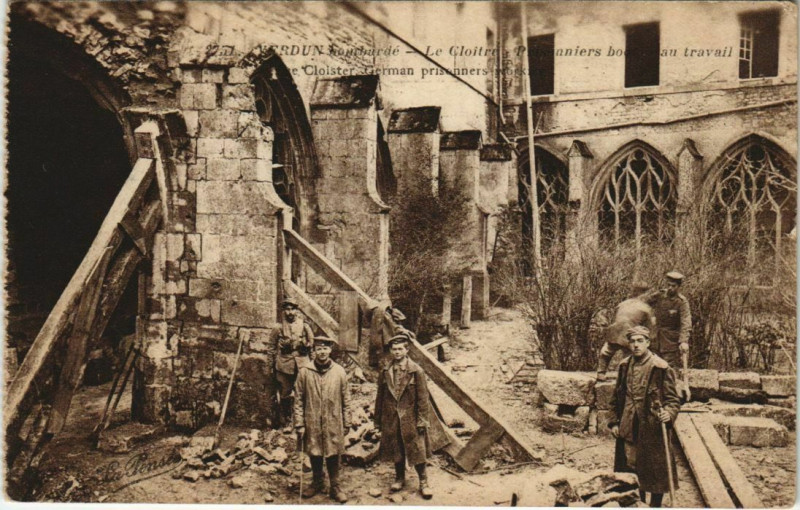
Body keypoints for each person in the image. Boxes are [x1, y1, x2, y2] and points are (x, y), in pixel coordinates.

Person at [608, 326, 680, 508]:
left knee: (654, 470)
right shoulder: (624, 366)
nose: (636, 345)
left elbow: (673, 399)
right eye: (632, 341)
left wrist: (669, 413)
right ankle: (636, 503)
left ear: (648, 343)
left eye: (640, 341)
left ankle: (655, 506)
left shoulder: (660, 367)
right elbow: (616, 397)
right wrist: (614, 422)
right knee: (631, 468)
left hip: (652, 426)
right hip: (628, 423)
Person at [374, 334, 434, 499]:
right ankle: (400, 478)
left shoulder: (416, 371)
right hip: (391, 417)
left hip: (411, 419)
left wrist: (422, 420)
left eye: (400, 349)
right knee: (396, 448)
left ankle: (423, 482)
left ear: (407, 350)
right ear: (391, 351)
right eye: (394, 349)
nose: (397, 352)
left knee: (417, 450)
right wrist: (377, 421)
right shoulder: (386, 371)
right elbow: (380, 397)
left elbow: (423, 399)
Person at [294, 336, 351, 503]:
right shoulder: (305, 372)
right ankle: (317, 482)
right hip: (312, 419)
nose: (322, 352)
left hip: (333, 419)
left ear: (330, 350)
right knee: (314, 450)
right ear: (314, 351)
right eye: (319, 349)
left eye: (325, 349)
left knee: (333, 452)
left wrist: (347, 421)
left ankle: (335, 487)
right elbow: (298, 399)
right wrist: (299, 423)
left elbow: (346, 398)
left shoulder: (339, 371)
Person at [596, 282, 656, 381]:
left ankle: (601, 373)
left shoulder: (622, 303)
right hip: (630, 334)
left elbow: (615, 317)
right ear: (644, 293)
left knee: (606, 352)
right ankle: (628, 377)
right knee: (631, 356)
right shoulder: (646, 308)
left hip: (615, 330)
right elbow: (650, 328)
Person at [271, 297, 314, 431]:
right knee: (285, 393)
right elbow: (271, 348)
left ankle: (303, 421)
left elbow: (312, 347)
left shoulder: (305, 326)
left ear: (297, 310)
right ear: (283, 311)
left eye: (292, 309)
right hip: (284, 365)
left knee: (304, 392)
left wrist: (313, 364)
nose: (290, 312)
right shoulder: (278, 328)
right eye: (287, 309)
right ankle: (288, 421)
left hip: (302, 363)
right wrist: (270, 366)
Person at [643, 271, 691, 369]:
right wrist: (650, 316)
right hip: (654, 337)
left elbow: (686, 322)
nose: (670, 288)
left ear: (679, 287)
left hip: (670, 341)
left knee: (668, 368)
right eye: (669, 285)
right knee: (651, 366)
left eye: (673, 286)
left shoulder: (681, 302)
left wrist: (683, 341)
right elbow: (643, 303)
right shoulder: (659, 295)